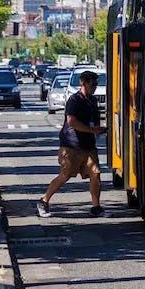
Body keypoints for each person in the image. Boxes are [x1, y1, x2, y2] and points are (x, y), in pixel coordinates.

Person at [37, 70, 109, 218]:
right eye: (92, 84)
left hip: (88, 146)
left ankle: (96, 207)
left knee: (96, 174)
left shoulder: (93, 101)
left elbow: (94, 121)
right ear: (83, 83)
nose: (94, 87)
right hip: (71, 145)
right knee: (65, 175)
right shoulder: (74, 100)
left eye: (96, 84)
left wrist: (99, 130)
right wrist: (92, 130)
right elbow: (72, 122)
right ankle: (43, 201)